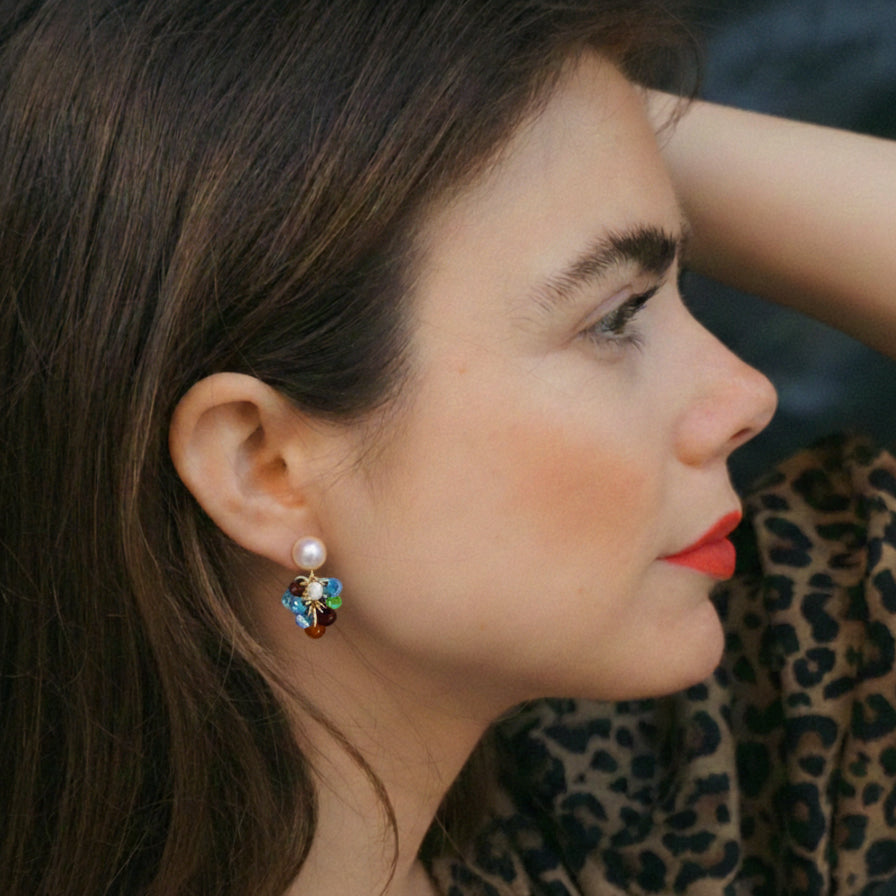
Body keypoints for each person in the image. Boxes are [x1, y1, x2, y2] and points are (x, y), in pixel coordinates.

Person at [1, 2, 894, 894]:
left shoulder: (648, 807)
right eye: (617, 317)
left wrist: (569, 103)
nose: (745, 395)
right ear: (264, 468)